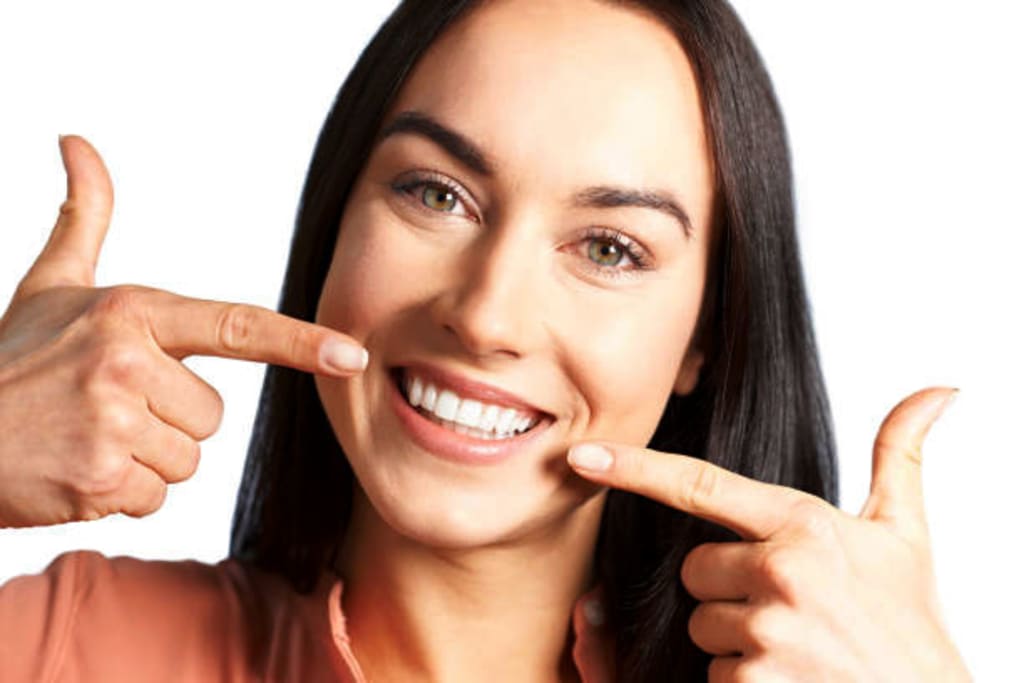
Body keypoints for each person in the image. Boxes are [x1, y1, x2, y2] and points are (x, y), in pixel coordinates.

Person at [0, 0, 972, 680]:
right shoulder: (65, 645)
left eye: (609, 247)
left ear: (703, 342)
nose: (486, 315)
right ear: (336, 218)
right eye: (436, 194)